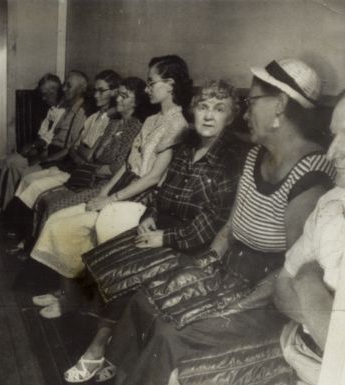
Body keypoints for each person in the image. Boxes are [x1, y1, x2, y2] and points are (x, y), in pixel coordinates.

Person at [102, 58, 335, 385]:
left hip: (265, 294)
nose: (244, 112)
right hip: (230, 268)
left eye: (250, 102)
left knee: (173, 330)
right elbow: (230, 226)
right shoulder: (256, 154)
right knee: (146, 299)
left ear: (280, 106)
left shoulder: (311, 175)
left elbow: (293, 272)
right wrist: (207, 262)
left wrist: (231, 305)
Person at [60, 80, 248, 383]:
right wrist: (151, 215)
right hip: (163, 226)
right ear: (193, 111)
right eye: (203, 107)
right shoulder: (186, 145)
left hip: (194, 243)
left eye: (219, 109)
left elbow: (216, 217)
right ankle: (111, 350)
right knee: (103, 259)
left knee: (128, 275)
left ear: (231, 116)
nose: (209, 115)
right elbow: (164, 190)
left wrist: (167, 238)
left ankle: (96, 352)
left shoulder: (233, 158)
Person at [169, 92, 345, 385]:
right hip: (297, 348)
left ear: (280, 107)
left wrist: (307, 280)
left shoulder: (311, 175)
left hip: (327, 370)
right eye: (335, 135)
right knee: (180, 372)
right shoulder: (332, 203)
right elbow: (282, 291)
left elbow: (292, 281)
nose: (332, 152)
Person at [29, 55, 192, 319]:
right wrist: (102, 194)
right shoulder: (151, 121)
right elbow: (127, 166)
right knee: (57, 219)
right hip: (123, 187)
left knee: (67, 227)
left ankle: (76, 300)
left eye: (152, 83)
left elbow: (152, 178)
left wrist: (111, 199)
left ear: (170, 85)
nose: (148, 88)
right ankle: (67, 293)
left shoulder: (178, 125)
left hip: (143, 199)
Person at [3, 70, 122, 253]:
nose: (96, 95)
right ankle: (21, 233)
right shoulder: (91, 117)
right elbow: (75, 147)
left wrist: (78, 152)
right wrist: (79, 152)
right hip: (71, 163)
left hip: (80, 171)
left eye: (101, 91)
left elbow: (88, 154)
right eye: (95, 91)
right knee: (29, 179)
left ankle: (29, 242)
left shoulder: (109, 121)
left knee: (34, 183)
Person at [0, 71, 88, 213]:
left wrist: (40, 153)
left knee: (17, 165)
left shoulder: (76, 112)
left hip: (55, 158)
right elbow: (46, 134)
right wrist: (36, 146)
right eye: (43, 94)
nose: (44, 98)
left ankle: (9, 209)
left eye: (49, 93)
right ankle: (2, 204)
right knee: (11, 161)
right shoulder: (62, 110)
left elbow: (65, 145)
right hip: (48, 152)